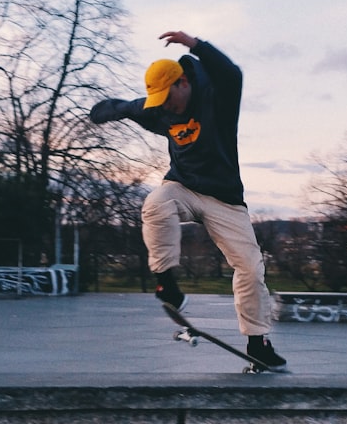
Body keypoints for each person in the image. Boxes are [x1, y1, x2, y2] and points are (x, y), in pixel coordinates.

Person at [89, 30, 286, 369]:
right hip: (183, 187)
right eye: (161, 103)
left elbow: (232, 74)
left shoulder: (216, 96)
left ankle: (258, 343)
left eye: (170, 99)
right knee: (155, 203)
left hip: (224, 198)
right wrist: (104, 111)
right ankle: (167, 284)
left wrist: (195, 45)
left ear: (183, 83)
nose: (167, 108)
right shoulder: (159, 108)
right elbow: (127, 108)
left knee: (251, 269)